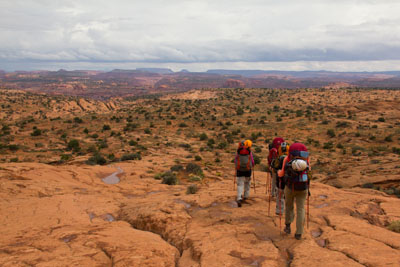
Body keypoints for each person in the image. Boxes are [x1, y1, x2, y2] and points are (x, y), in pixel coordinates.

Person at [278, 143, 311, 240]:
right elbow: (309, 173)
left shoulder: (287, 159)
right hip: (303, 188)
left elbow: (281, 174)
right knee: (301, 209)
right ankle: (299, 233)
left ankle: (288, 226)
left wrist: (278, 173)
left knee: (289, 206)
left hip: (290, 187)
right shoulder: (306, 160)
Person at [268, 137, 289, 215]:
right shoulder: (291, 159)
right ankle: (288, 212)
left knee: (279, 196)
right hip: (289, 182)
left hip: (280, 181)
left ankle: (279, 210)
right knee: (287, 197)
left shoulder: (278, 159)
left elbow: (274, 169)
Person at [234, 140, 255, 207]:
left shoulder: (238, 151)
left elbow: (235, 160)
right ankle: (246, 196)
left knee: (240, 184)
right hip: (247, 169)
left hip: (239, 169)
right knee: (247, 182)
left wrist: (236, 166)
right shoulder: (249, 151)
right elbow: (252, 161)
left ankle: (239, 198)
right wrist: (252, 165)